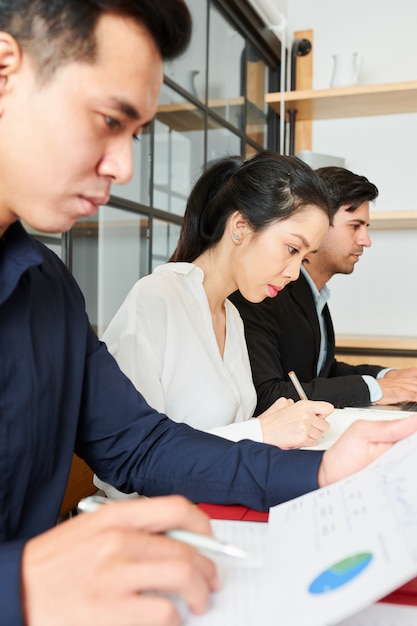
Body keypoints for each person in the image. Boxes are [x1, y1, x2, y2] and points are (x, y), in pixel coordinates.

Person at [2, 3, 417, 625]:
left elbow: (141, 444)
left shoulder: (48, 290)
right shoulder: (158, 296)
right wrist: (19, 584)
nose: (123, 167)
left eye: (135, 133)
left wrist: (325, 468)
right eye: (107, 119)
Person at [100, 152, 333, 455]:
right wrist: (260, 431)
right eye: (291, 248)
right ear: (241, 226)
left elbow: (218, 434)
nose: (293, 273)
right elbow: (129, 457)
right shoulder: (157, 298)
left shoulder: (231, 315)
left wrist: (267, 423)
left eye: (303, 258)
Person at [230, 166, 417, 414]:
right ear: (319, 224)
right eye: (355, 226)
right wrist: (377, 388)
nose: (366, 240)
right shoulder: (265, 291)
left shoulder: (314, 293)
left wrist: (389, 376)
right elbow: (267, 394)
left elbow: (321, 371)